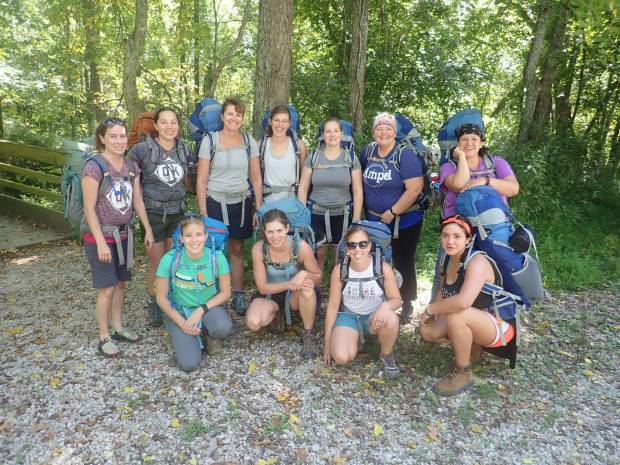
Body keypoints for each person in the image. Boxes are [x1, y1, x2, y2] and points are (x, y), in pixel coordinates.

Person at [419, 215, 516, 396]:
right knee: (427, 331)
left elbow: (463, 302)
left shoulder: (477, 262)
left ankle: (464, 373)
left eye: (457, 236)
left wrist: (430, 309)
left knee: (457, 315)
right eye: (445, 235)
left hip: (499, 325)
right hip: (475, 317)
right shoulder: (446, 259)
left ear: (468, 238)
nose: (450, 241)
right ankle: (471, 346)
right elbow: (443, 291)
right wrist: (432, 313)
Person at [81, 117, 154, 357]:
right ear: (102, 138)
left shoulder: (131, 167)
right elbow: (89, 208)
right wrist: (101, 242)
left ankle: (118, 326)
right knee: (107, 288)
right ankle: (104, 336)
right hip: (100, 237)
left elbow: (137, 201)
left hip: (124, 235)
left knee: (120, 283)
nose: (119, 140)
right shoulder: (94, 167)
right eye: (113, 136)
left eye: (122, 136)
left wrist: (147, 228)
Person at [430, 122, 520, 301]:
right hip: (457, 233)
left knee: (494, 274)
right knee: (445, 275)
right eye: (464, 139)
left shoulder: (496, 163)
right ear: (458, 142)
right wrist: (461, 158)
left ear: (482, 142)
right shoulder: (449, 167)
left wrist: (486, 181)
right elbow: (459, 184)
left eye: (474, 139)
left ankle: (489, 312)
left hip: (493, 231)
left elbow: (513, 188)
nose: (469, 143)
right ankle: (435, 312)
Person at [127, 107, 194, 328]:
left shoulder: (185, 149)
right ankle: (154, 301)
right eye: (163, 122)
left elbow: (191, 179)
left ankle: (170, 298)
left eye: (173, 122)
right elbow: (128, 179)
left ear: (178, 125)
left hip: (178, 213)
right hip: (152, 214)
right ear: (155, 125)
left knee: (174, 260)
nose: (169, 127)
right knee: (157, 261)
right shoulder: (141, 150)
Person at [195, 97, 263, 316]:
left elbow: (256, 178)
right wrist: (204, 213)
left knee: (237, 249)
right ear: (223, 116)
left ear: (243, 118)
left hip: (241, 203)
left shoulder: (248, 141)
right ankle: (215, 296)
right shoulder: (210, 141)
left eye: (238, 114)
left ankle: (238, 294)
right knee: (213, 251)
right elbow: (201, 181)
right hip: (214, 202)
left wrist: (258, 208)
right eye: (230, 113)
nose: (234, 118)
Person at [360, 112, 425, 323]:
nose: (383, 132)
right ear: (373, 132)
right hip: (374, 220)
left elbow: (415, 189)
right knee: (376, 261)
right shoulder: (368, 151)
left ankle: (406, 302)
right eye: (379, 128)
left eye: (388, 128)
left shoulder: (405, 155)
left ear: (395, 132)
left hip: (404, 221)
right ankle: (378, 302)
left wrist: (393, 211)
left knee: (403, 260)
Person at [155, 215, 233, 371]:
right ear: (181, 238)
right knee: (189, 364)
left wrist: (200, 311)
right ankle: (189, 334)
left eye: (198, 235)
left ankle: (208, 333)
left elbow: (225, 293)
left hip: (208, 309)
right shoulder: (169, 260)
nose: (194, 240)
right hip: (181, 312)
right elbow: (161, 298)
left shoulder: (216, 258)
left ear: (205, 236)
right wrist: (182, 324)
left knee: (222, 327)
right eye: (188, 235)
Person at [323, 226, 402, 377]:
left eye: (363, 244)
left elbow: (397, 300)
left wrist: (385, 306)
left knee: (391, 319)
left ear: (370, 246)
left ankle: (386, 354)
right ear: (346, 248)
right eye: (352, 245)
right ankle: (358, 339)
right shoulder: (340, 270)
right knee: (341, 357)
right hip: (349, 316)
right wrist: (327, 343)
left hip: (374, 316)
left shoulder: (382, 268)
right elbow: (332, 306)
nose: (357, 249)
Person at [245, 209, 322, 359]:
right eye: (270, 232)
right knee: (253, 323)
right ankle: (277, 313)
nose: (275, 236)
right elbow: (262, 287)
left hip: (296, 294)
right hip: (270, 293)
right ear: (264, 231)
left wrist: (304, 274)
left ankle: (308, 334)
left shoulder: (301, 247)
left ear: (287, 228)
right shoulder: (259, 249)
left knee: (307, 287)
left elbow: (318, 277)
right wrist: (290, 283)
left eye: (279, 230)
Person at [297, 117, 363, 273]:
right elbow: (303, 187)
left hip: (343, 214)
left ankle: (338, 288)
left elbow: (358, 191)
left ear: (342, 134)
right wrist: (303, 215)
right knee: (317, 256)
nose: (332, 135)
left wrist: (356, 219)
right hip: (316, 213)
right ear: (323, 135)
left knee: (340, 256)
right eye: (328, 131)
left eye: (335, 131)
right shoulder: (314, 157)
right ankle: (316, 288)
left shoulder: (351, 158)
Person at [261, 105, 308, 203]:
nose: (280, 125)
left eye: (284, 121)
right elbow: (255, 178)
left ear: (289, 123)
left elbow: (305, 181)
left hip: (292, 204)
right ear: (270, 121)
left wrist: (302, 207)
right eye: (276, 120)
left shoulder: (299, 146)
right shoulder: (261, 145)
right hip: (268, 204)